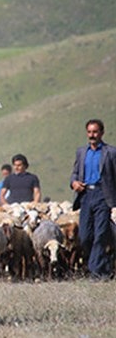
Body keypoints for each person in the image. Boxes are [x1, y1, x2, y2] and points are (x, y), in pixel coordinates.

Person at [70, 119, 116, 280]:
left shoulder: (111, 152)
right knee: (84, 236)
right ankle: (104, 266)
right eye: (89, 132)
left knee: (100, 234)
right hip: (85, 196)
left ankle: (96, 273)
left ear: (102, 133)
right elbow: (75, 173)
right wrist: (74, 183)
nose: (92, 135)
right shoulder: (81, 152)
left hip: (103, 196)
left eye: (95, 132)